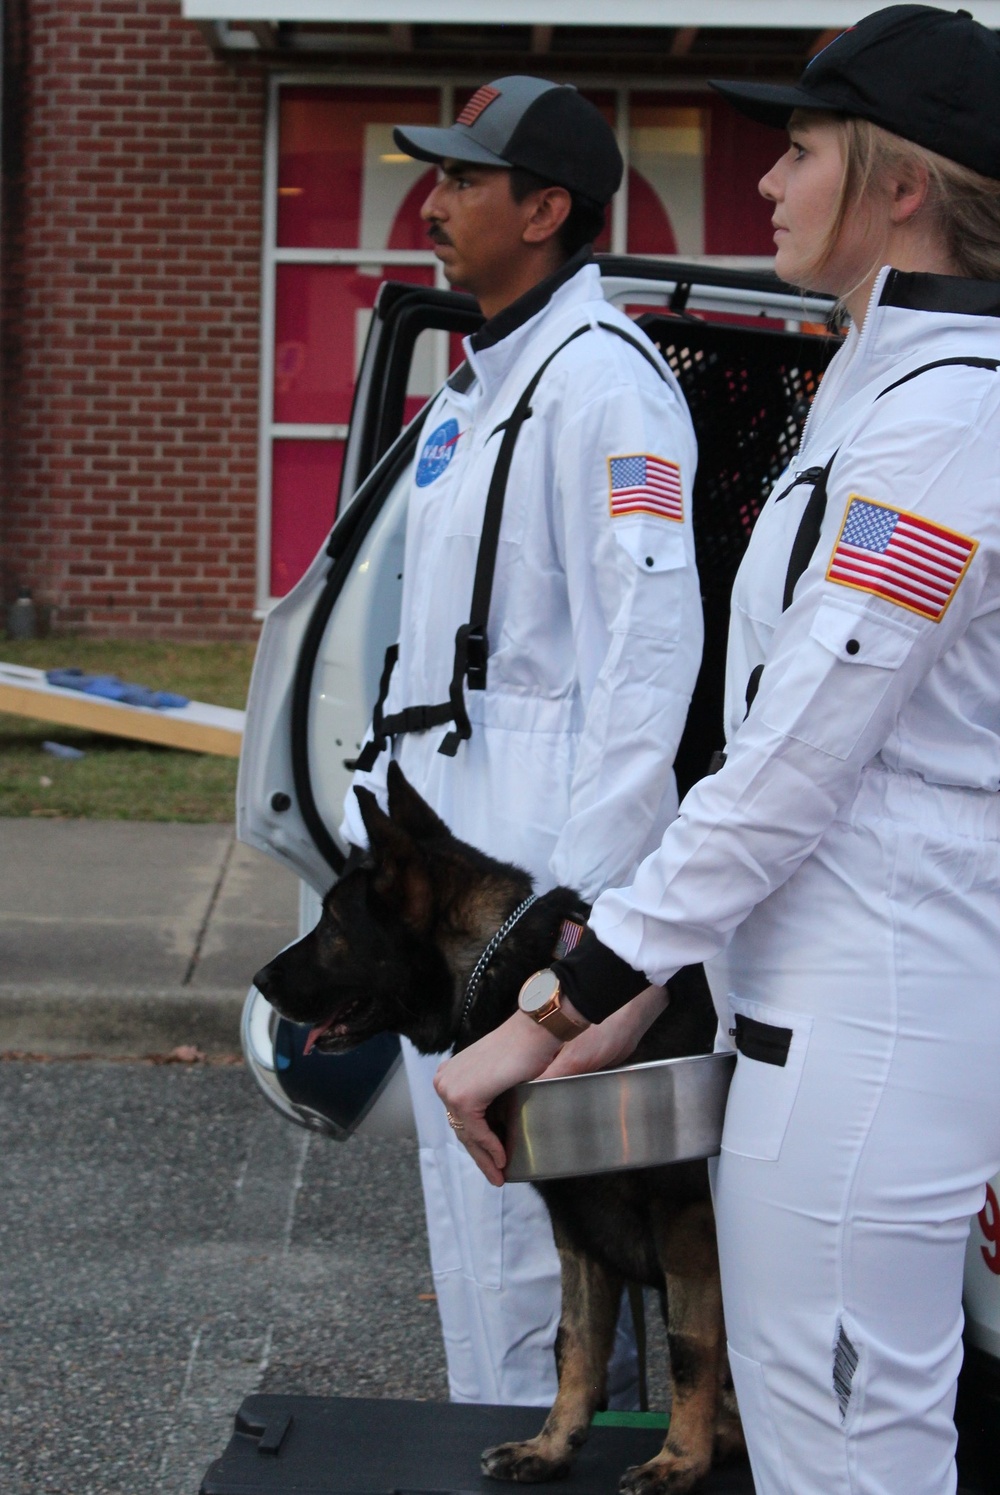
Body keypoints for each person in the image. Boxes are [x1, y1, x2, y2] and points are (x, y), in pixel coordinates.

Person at [435, 7, 1000, 1490]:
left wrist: (576, 999)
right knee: (830, 1431)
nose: (765, 179)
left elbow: (800, 750)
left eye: (800, 148)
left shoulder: (943, 426)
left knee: (846, 1446)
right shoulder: (883, 392)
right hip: (819, 996)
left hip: (870, 1008)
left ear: (899, 185)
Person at [342, 77, 703, 1406]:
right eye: (437, 177)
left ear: (546, 210)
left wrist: (588, 937)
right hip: (456, 849)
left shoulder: (606, 389)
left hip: (534, 856)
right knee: (472, 1210)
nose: (433, 203)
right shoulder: (472, 392)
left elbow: (648, 662)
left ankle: (534, 1444)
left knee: (525, 1225)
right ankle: (492, 1438)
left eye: (465, 181)